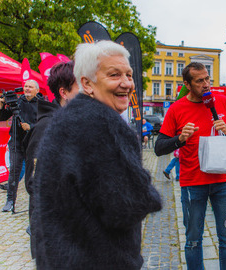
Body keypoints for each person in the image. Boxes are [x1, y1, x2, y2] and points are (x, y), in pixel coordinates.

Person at [33, 40, 162, 269]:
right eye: (114, 75)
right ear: (87, 83)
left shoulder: (66, 119)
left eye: (129, 75)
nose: (126, 84)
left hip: (62, 256)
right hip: (96, 259)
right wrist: (145, 187)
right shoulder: (102, 124)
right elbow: (125, 207)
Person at [155, 62, 226, 270]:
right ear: (187, 84)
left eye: (207, 79)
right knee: (193, 240)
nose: (206, 84)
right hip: (192, 183)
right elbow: (159, 148)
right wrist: (180, 138)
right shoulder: (177, 109)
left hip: (224, 182)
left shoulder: (222, 102)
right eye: (200, 81)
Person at [22, 60, 79, 258]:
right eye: (81, 85)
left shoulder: (72, 122)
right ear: (64, 92)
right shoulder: (47, 127)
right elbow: (34, 183)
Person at [0, 79, 40, 212]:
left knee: (30, 173)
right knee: (14, 171)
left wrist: (30, 127)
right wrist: (1, 105)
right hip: (16, 141)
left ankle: (35, 200)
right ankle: (10, 200)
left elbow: (45, 123)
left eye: (30, 87)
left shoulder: (42, 104)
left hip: (32, 142)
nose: (27, 89)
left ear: (36, 90)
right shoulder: (17, 101)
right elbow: (3, 117)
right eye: (26, 86)